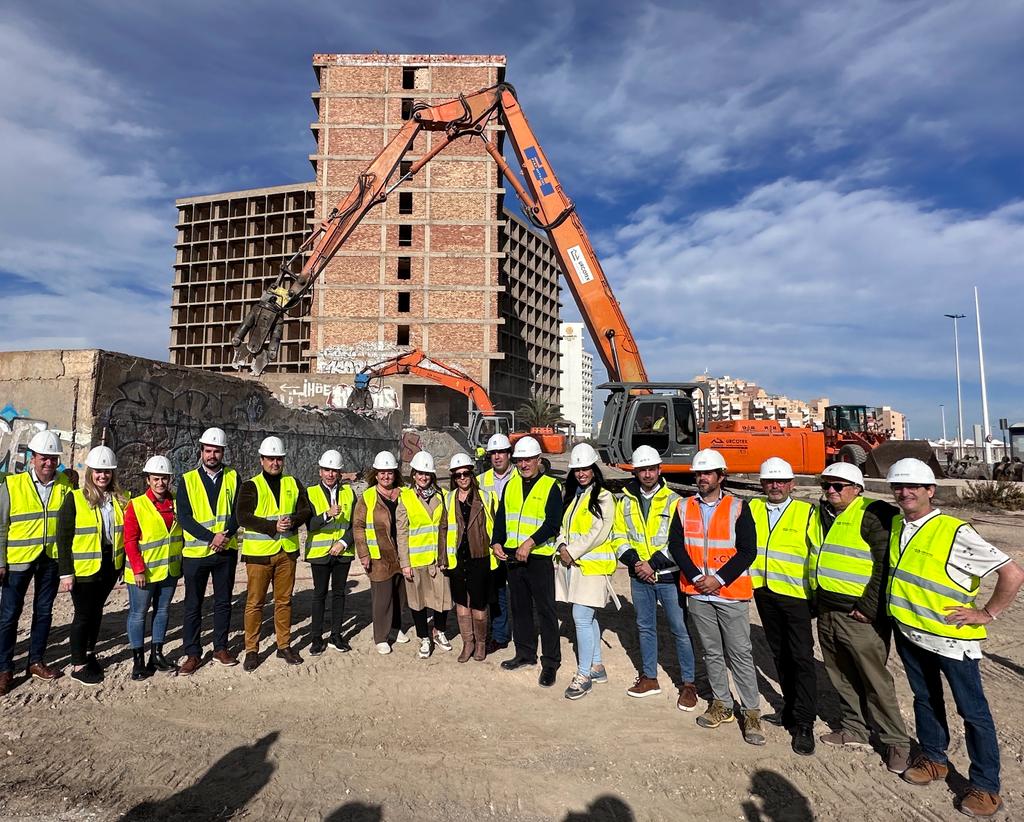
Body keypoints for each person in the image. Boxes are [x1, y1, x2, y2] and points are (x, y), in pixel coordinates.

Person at [886, 458, 1024, 818]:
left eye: (914, 486)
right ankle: (934, 758)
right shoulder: (900, 525)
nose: (905, 492)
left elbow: (1012, 573)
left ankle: (985, 786)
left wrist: (986, 613)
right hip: (912, 633)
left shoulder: (953, 530)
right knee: (925, 699)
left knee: (973, 712)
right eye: (899, 487)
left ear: (930, 491)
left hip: (950, 639)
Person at [809, 461, 911, 772]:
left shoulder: (872, 514)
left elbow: (884, 566)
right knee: (840, 674)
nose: (831, 491)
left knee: (874, 679)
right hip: (827, 609)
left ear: (857, 489)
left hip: (858, 616)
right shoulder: (822, 514)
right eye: (827, 485)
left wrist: (869, 608)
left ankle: (897, 741)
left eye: (838, 486)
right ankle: (853, 727)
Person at [671, 448, 763, 746]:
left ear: (721, 476)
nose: (701, 478)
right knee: (711, 652)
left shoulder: (738, 507)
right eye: (698, 473)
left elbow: (748, 550)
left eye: (707, 473)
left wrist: (719, 579)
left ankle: (751, 711)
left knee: (739, 654)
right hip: (698, 593)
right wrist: (698, 578)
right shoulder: (684, 507)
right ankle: (722, 703)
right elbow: (677, 547)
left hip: (730, 593)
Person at [612, 445, 696, 710]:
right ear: (636, 472)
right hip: (640, 576)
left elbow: (678, 541)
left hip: (668, 576)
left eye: (651, 469)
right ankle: (649, 677)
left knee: (679, 629)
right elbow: (618, 536)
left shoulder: (675, 501)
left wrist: (652, 565)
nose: (647, 474)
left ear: (659, 470)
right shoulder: (625, 500)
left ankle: (689, 684)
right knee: (645, 627)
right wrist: (636, 564)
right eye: (642, 470)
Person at [748, 457, 817, 755]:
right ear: (762, 484)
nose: (774, 486)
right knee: (780, 654)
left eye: (780, 481)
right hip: (763, 590)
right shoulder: (752, 508)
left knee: (801, 657)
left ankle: (804, 723)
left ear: (791, 484)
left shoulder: (806, 512)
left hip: (796, 594)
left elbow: (816, 552)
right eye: (769, 481)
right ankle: (789, 709)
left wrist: (816, 594)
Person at [0, 430, 72, 693]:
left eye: (53, 458)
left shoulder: (66, 484)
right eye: (44, 458)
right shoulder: (12, 485)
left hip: (50, 558)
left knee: (44, 612)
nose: (49, 463)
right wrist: (0, 561)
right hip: (17, 560)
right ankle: (4, 668)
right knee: (9, 615)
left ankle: (35, 661)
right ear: (32, 458)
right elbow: (0, 526)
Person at [492, 436, 563, 687]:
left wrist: (529, 543)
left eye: (528, 459)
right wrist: (496, 542)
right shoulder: (511, 485)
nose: (524, 464)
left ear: (538, 460)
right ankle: (525, 654)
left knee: (546, 611)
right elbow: (501, 518)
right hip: (513, 557)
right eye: (520, 460)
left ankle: (551, 663)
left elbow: (553, 523)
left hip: (538, 558)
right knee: (519, 608)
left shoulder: (550, 486)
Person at [236, 436, 311, 671]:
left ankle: (284, 645)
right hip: (259, 555)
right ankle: (251, 650)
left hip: (286, 552)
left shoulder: (293, 482)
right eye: (271, 458)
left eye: (279, 459)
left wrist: (294, 521)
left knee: (284, 601)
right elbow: (243, 516)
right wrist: (271, 527)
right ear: (261, 460)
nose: (275, 463)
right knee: (255, 603)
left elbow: (306, 510)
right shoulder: (251, 486)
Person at [55, 446, 125, 686]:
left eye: (107, 472)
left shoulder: (117, 499)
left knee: (97, 612)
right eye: (98, 471)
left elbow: (122, 534)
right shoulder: (75, 498)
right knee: (83, 614)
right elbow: (63, 538)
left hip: (109, 565)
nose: (102, 476)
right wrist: (66, 572)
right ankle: (77, 664)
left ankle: (89, 653)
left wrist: (122, 565)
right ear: (90, 472)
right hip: (83, 569)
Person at [176, 427, 241, 675]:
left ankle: (220, 648)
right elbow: (185, 517)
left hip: (225, 552)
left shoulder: (234, 477)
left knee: (223, 602)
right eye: (208, 450)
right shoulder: (188, 479)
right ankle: (192, 653)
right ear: (201, 451)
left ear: (223, 452)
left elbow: (239, 511)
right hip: (196, 555)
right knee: (193, 604)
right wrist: (210, 537)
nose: (212, 455)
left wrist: (225, 536)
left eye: (217, 451)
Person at [555, 443, 616, 700]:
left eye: (585, 469)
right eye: (577, 470)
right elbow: (563, 526)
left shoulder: (603, 497)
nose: (581, 473)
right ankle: (597, 665)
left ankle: (584, 675)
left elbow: (599, 532)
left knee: (580, 615)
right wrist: (561, 545)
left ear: (594, 469)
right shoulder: (573, 496)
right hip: (576, 567)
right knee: (587, 617)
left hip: (593, 567)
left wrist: (573, 551)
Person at [124, 455, 183, 681]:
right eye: (156, 478)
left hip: (169, 570)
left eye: (164, 478)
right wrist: (138, 569)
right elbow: (129, 540)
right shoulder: (136, 505)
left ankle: (156, 655)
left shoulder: (176, 503)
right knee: (138, 615)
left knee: (162, 612)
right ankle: (138, 662)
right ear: (148, 479)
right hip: (144, 573)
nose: (160, 483)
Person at [353, 451, 411, 654]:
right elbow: (358, 526)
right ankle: (381, 636)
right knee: (382, 598)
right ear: (375, 475)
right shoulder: (368, 497)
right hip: (378, 556)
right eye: (382, 473)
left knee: (400, 595)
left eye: (390, 472)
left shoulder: (404, 494)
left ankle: (395, 629)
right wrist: (363, 553)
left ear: (395, 473)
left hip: (401, 554)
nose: (386, 476)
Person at [396, 451, 451, 659]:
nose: (423, 477)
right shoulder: (406, 498)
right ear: (414, 474)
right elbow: (402, 533)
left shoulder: (443, 496)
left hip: (438, 559)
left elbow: (447, 528)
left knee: (442, 599)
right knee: (417, 601)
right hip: (416, 560)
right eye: (420, 473)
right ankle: (424, 638)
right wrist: (405, 563)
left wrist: (446, 556)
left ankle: (439, 631)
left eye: (427, 473)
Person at [304, 449, 356, 655]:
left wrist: (343, 542)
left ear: (340, 473)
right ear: (320, 471)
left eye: (334, 470)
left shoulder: (349, 493)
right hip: (320, 554)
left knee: (339, 594)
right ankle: (316, 637)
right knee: (319, 595)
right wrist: (327, 514)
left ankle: (336, 635)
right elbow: (310, 525)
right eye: (327, 470)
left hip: (342, 552)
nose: (330, 474)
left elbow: (356, 524)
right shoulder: (310, 493)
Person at [443, 453, 493, 663]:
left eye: (465, 474)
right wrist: (442, 556)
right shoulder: (449, 498)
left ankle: (481, 643)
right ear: (453, 478)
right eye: (458, 475)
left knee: (479, 604)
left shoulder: (487, 498)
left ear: (472, 474)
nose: (462, 478)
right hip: (457, 558)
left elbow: (495, 527)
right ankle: (468, 642)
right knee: (462, 602)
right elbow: (443, 528)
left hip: (479, 556)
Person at [477, 433, 515, 653]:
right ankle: (499, 635)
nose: (497, 457)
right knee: (497, 592)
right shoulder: (481, 481)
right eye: (494, 453)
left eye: (501, 452)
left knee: (520, 594)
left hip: (517, 544)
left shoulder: (520, 478)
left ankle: (522, 633)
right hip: (493, 547)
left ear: (509, 454)